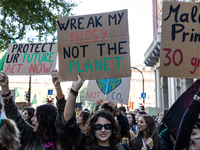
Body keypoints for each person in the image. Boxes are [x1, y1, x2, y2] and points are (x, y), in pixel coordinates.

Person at [0, 70, 73, 150]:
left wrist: (58, 88)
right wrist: (5, 89)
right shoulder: (30, 135)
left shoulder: (62, 138)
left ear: (45, 119)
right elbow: (15, 116)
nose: (32, 119)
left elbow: (63, 113)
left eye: (36, 116)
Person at [61, 74, 129, 150]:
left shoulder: (122, 148)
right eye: (98, 127)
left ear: (113, 128)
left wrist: (117, 110)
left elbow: (123, 127)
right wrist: (74, 90)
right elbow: (68, 122)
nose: (103, 130)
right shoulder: (84, 144)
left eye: (107, 126)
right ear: (92, 129)